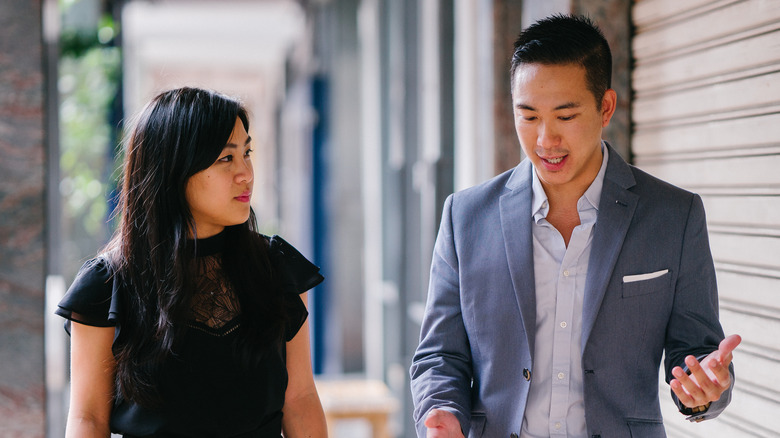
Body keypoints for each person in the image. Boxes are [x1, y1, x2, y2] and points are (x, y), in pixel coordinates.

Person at [410, 14, 741, 438]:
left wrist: (704, 391)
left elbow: (697, 353)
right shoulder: (466, 216)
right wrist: (439, 409)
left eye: (565, 117)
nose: (545, 139)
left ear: (605, 108)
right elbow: (439, 355)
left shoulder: (674, 215)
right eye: (528, 116)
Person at [56, 87, 328, 438]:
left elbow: (300, 398)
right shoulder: (107, 285)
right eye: (226, 159)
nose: (246, 173)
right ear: (174, 170)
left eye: (247, 153)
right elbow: (88, 418)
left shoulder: (277, 268)